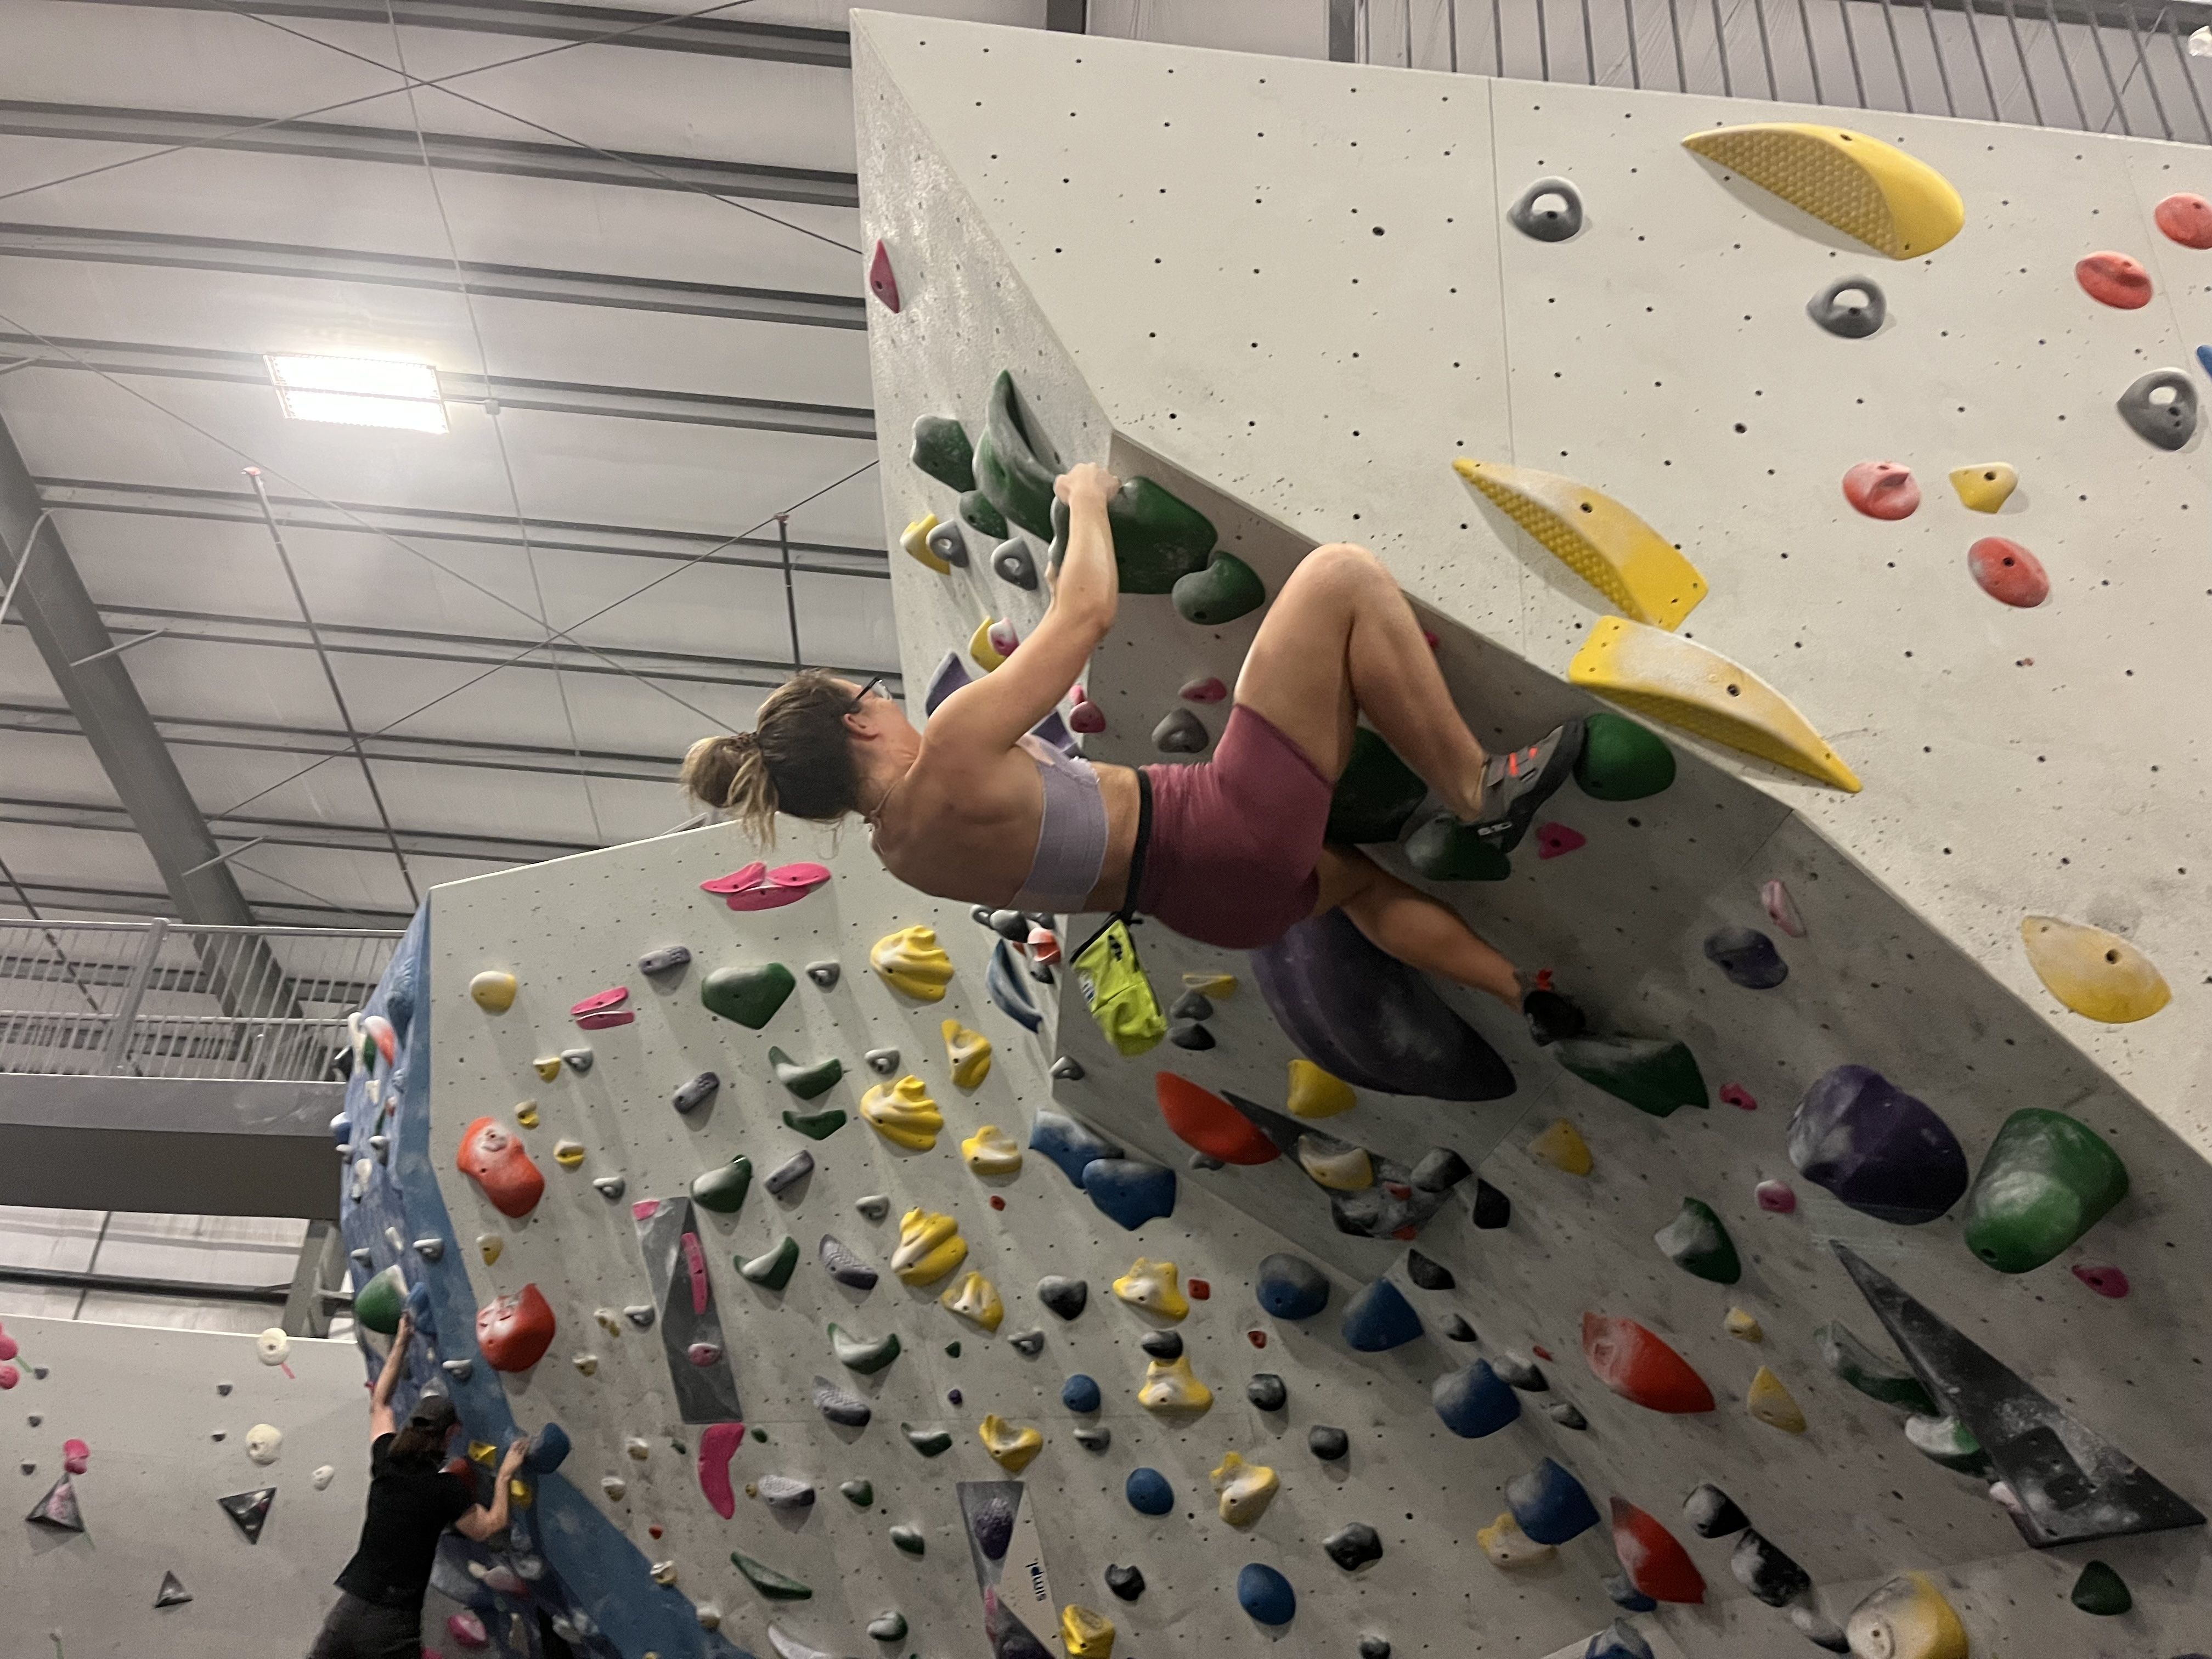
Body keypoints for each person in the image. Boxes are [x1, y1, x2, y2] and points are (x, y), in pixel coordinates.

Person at [681, 462, 1583, 1039]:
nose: (884, 700)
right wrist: (1082, 503)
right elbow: (1084, 617)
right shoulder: (949, 749)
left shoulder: (903, 853)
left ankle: (1522, 991)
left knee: (1362, 885)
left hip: (1214, 908)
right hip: (1219, 826)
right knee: (1337, 575)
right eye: (868, 694)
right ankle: (1476, 792)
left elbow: (1051, 822)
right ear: (859, 724)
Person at [307, 1314, 527, 1659]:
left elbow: (380, 1403)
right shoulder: (445, 1490)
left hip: (349, 1611)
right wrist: (504, 1477)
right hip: (391, 1621)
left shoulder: (386, 1462)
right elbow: (489, 1527)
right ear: (450, 1435)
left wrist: (401, 1343)